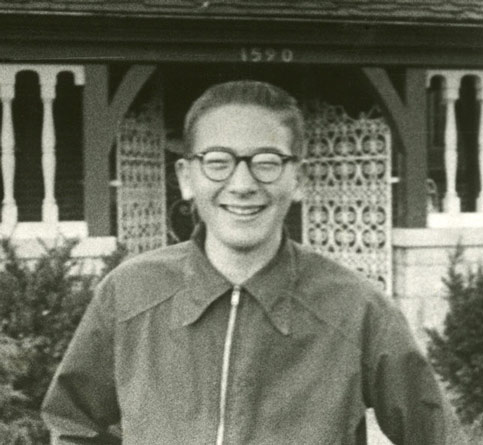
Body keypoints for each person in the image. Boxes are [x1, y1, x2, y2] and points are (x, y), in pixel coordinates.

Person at [42, 80, 465, 444]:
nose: (242, 184)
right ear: (186, 178)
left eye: (267, 163)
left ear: (298, 179)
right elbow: (73, 423)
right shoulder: (129, 294)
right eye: (218, 162)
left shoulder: (358, 309)